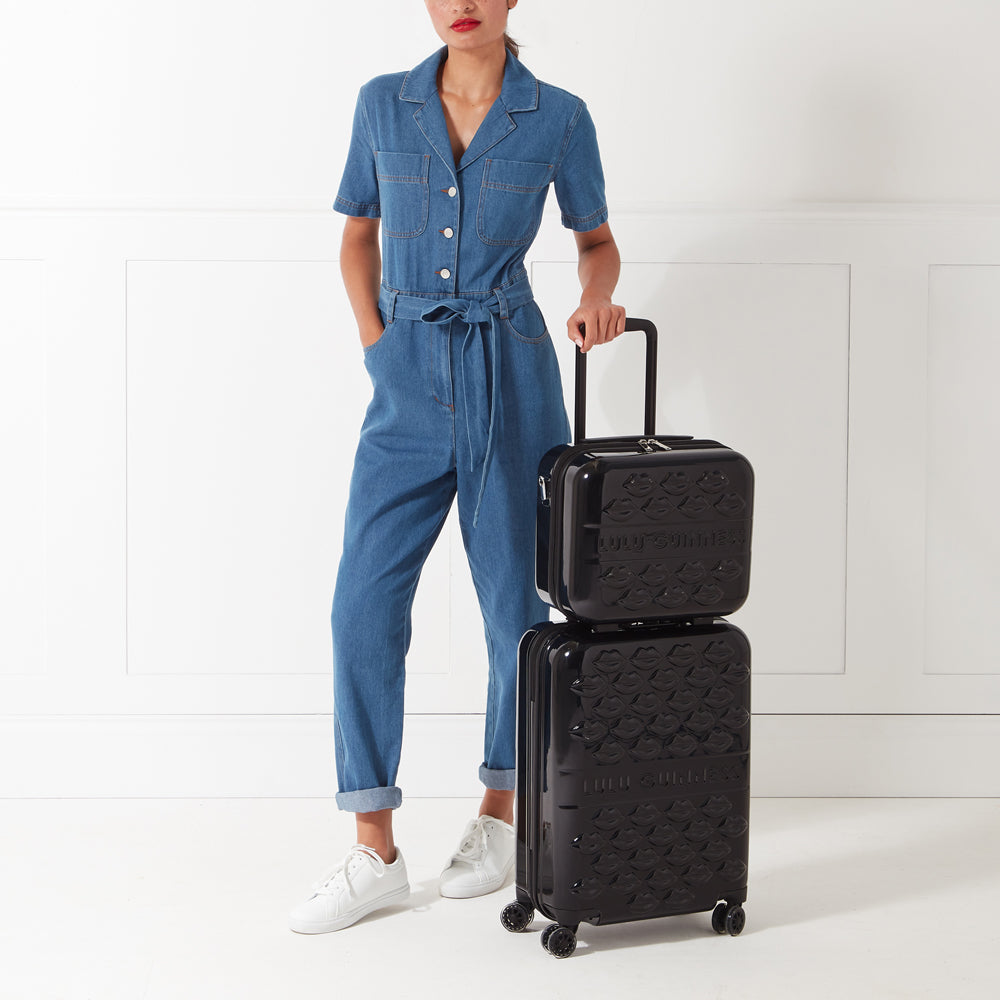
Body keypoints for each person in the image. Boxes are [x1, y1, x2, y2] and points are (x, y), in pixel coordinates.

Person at [289, 0, 625, 934]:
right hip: (405, 385)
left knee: (514, 608)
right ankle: (374, 847)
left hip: (513, 375)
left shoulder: (557, 114)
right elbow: (357, 232)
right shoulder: (382, 104)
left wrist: (599, 298)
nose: (461, 2)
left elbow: (594, 242)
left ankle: (500, 813)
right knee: (362, 601)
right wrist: (377, 343)